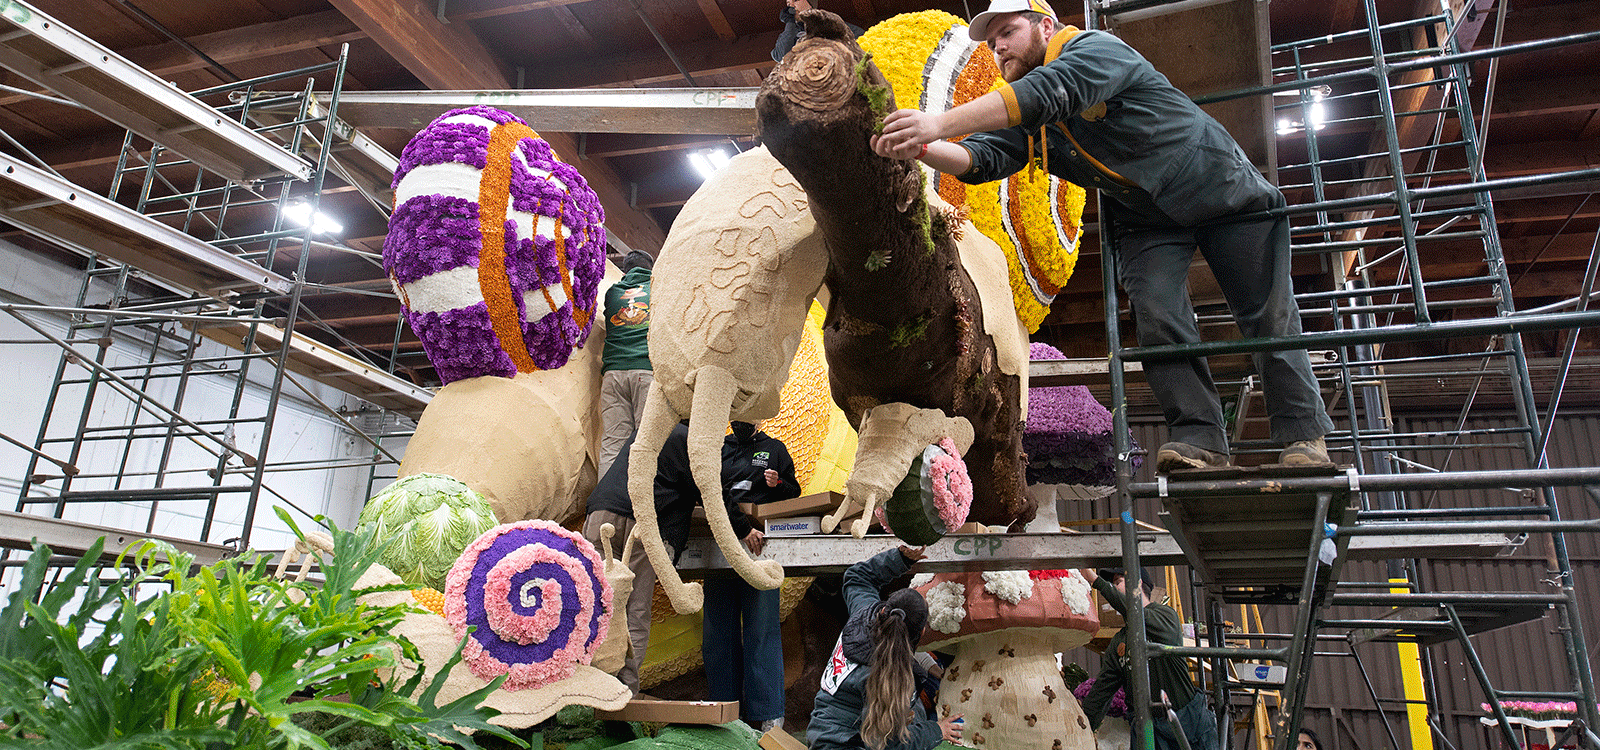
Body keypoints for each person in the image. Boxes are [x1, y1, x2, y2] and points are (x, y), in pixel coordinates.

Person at [870, 0, 1334, 473]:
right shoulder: (1037, 122)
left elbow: (1049, 91)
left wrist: (938, 121)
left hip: (1222, 190)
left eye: (1007, 32)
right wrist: (924, 147)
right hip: (1145, 214)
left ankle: (1304, 436)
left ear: (1045, 26)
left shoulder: (1094, 49)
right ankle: (1200, 440)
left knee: (1266, 312)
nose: (999, 47)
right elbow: (984, 158)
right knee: (1156, 315)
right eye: (991, 44)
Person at [582, 421, 762, 692]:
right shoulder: (691, 440)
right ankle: (622, 696)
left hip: (599, 515)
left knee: (595, 608)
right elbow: (711, 492)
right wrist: (744, 528)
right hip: (640, 525)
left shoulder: (650, 427)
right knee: (634, 611)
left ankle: (587, 692)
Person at [808, 546, 965, 750]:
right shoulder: (889, 677)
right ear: (922, 634)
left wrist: (899, 558)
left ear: (883, 609)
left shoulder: (863, 612)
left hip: (821, 730)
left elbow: (857, 577)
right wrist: (937, 731)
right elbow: (891, 744)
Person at [703, 421, 802, 732]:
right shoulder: (718, 447)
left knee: (762, 630)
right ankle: (722, 711)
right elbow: (706, 490)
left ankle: (769, 714)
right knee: (718, 632)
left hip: (761, 549)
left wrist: (778, 485)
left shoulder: (774, 448)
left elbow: (795, 492)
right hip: (720, 544)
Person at [1081, 568, 1219, 750]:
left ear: (1138, 583)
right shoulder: (1119, 642)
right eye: (1112, 583)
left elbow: (1138, 616)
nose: (1112, 588)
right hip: (1149, 730)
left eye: (1118, 581)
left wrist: (1096, 581)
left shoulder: (1165, 616)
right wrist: (1081, 728)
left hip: (1187, 723)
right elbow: (1102, 690)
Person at [598, 249, 655, 478]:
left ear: (624, 270)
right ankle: (640, 508)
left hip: (613, 374)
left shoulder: (613, 293)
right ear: (650, 270)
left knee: (612, 444)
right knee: (647, 443)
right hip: (646, 371)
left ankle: (605, 505)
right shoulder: (657, 288)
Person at [773, 0, 864, 62]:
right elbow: (781, 56)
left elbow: (861, 38)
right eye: (788, 3)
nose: (791, 6)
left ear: (809, 3)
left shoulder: (830, 23)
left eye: (796, 0)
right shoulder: (789, 32)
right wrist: (790, 23)